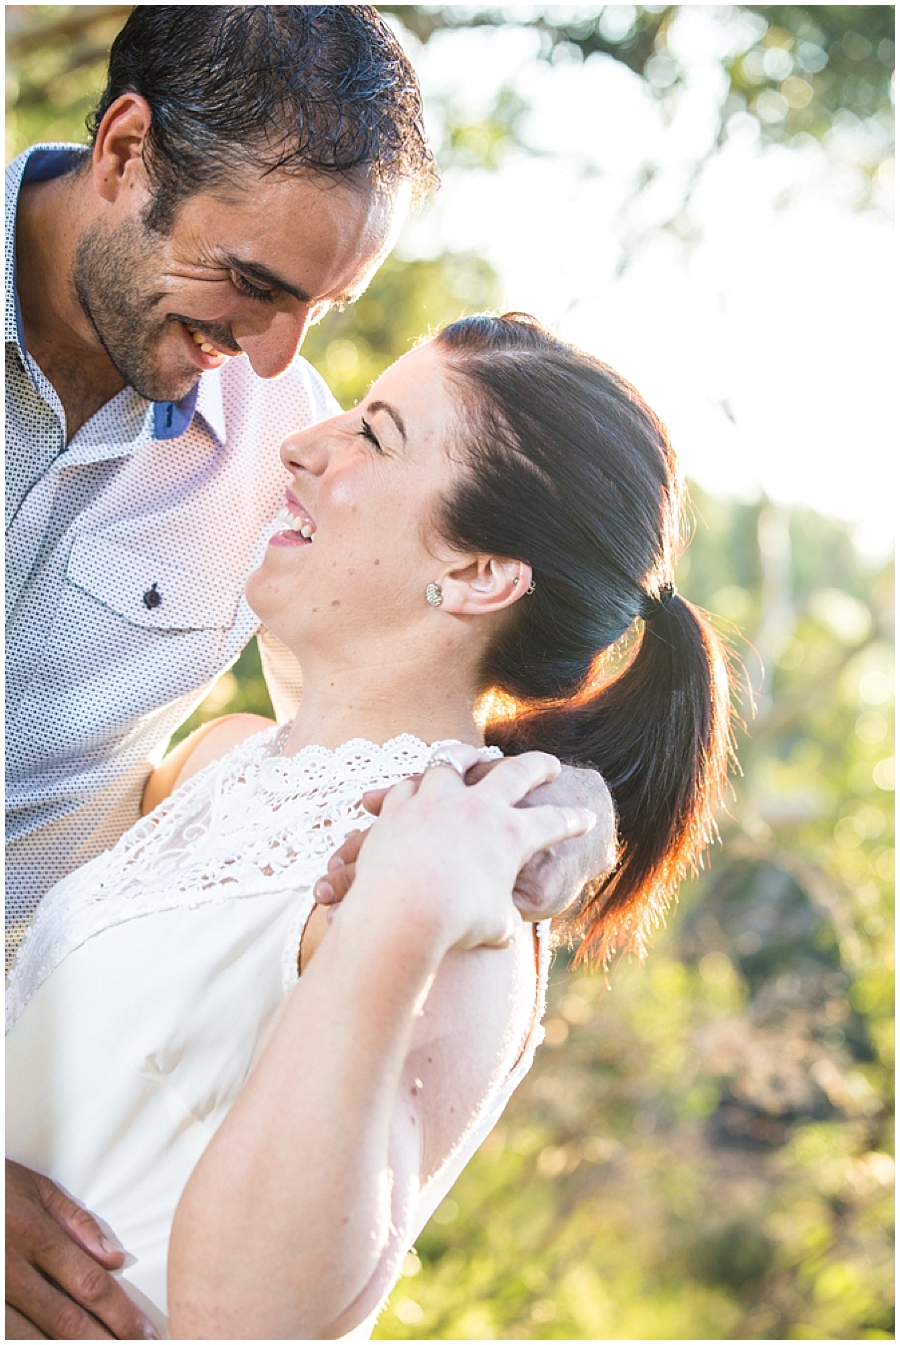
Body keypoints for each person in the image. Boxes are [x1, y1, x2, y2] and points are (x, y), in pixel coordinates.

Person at [6, 13, 612, 1335]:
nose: (283, 368)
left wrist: (560, 798)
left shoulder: (270, 443)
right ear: (123, 150)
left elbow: (368, 706)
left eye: (319, 310)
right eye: (256, 282)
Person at [6, 314, 734, 1339]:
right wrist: (581, 789)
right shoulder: (222, 763)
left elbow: (247, 1319)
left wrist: (404, 913)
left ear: (479, 574)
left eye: (377, 435)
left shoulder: (463, 917)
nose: (304, 444)